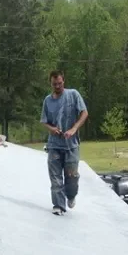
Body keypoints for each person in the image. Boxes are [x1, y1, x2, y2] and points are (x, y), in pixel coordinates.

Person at [40, 69, 88, 216]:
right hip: (54, 145)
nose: (58, 86)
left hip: (71, 145)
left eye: (60, 83)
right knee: (55, 179)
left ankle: (71, 195)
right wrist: (52, 129)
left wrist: (73, 129)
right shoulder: (48, 101)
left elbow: (84, 113)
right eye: (55, 84)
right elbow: (44, 121)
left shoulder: (73, 95)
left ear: (63, 81)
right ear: (51, 83)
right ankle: (59, 206)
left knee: (71, 177)